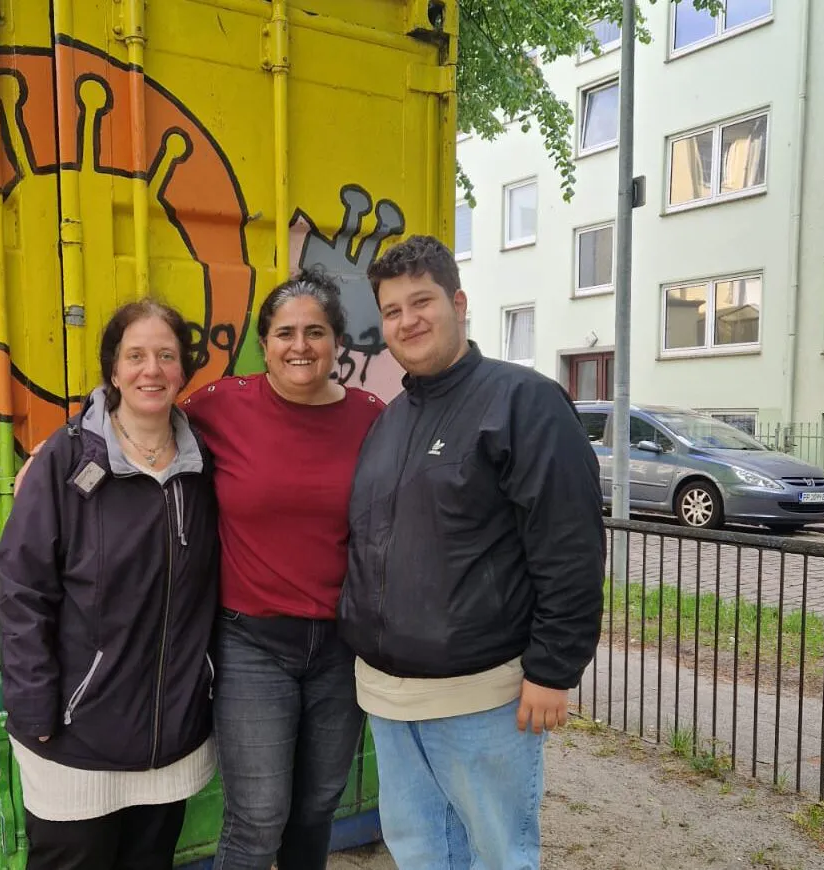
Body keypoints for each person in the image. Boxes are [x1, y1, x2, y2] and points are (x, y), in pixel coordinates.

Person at [337, 235, 605, 870]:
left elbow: (569, 545)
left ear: (458, 304)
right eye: (393, 310)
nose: (408, 320)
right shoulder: (389, 420)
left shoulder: (523, 402)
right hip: (387, 694)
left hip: (481, 695)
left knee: (496, 854)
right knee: (420, 851)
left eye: (422, 302)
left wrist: (553, 670)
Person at [0, 300, 220, 870]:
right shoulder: (66, 459)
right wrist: (33, 705)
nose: (152, 370)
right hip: (75, 734)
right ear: (113, 370)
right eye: (135, 355)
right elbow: (24, 589)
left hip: (171, 733)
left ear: (183, 369)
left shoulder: (205, 463)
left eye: (166, 355)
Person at [181, 268, 385, 869]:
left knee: (318, 805)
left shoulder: (371, 416)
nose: (301, 345)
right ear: (265, 345)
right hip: (252, 642)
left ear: (337, 342)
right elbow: (137, 416)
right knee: (258, 817)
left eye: (315, 332)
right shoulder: (222, 405)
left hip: (341, 645)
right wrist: (63, 448)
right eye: (285, 333)